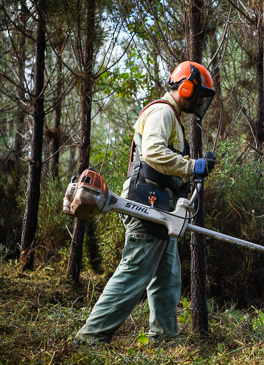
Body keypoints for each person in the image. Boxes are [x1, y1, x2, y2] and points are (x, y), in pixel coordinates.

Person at [75, 61, 217, 345]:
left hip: (161, 206)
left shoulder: (172, 117)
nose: (200, 101)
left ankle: (163, 339)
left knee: (167, 277)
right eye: (199, 93)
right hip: (148, 201)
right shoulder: (163, 111)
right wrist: (192, 167)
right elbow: (153, 152)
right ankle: (90, 338)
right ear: (186, 87)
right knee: (135, 269)